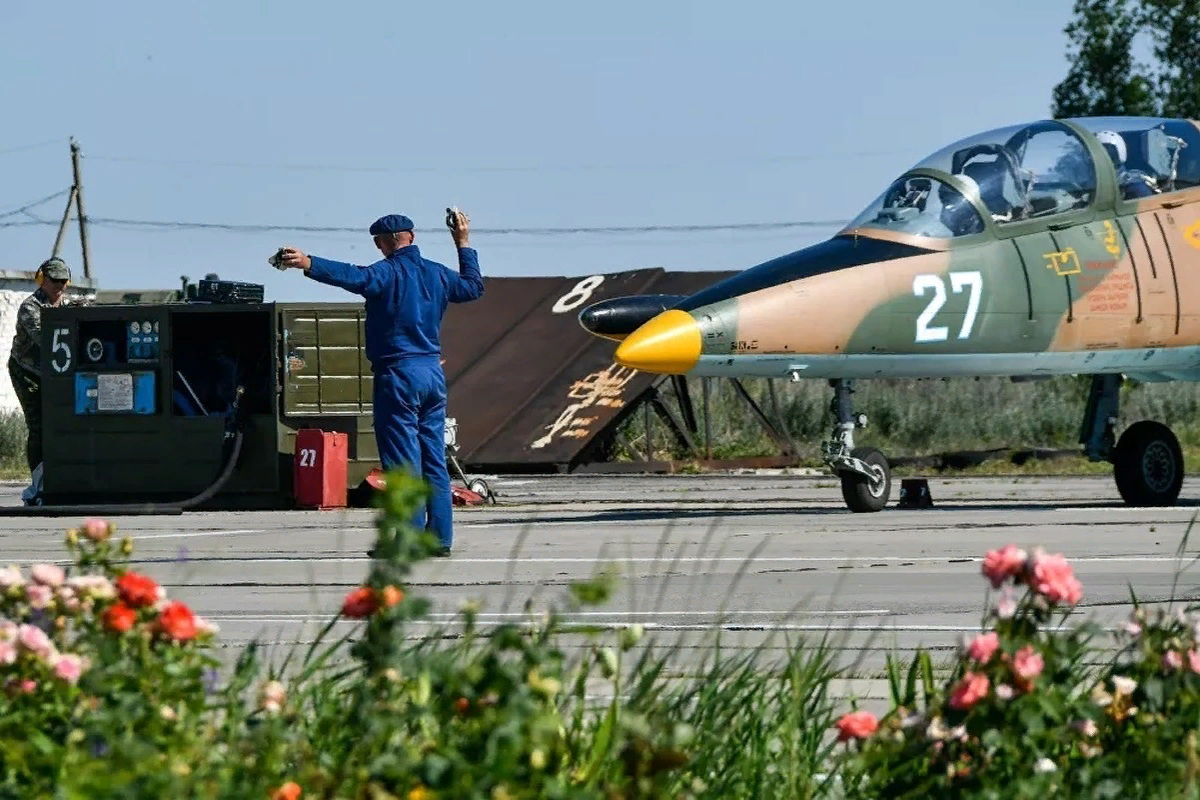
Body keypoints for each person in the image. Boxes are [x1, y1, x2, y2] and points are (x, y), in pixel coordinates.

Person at [275, 211, 484, 556]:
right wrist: (463, 243)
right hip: (432, 374)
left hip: (398, 375)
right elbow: (474, 287)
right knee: (434, 458)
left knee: (403, 463)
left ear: (381, 243)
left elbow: (351, 276)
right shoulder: (437, 274)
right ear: (412, 238)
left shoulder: (385, 273)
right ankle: (440, 539)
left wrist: (307, 262)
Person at [8, 257, 73, 500]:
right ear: (42, 280)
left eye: (63, 281)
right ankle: (39, 482)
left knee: (60, 424)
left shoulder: (65, 306)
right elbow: (46, 339)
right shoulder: (30, 307)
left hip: (54, 374)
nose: (59, 286)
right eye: (53, 281)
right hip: (27, 372)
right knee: (38, 426)